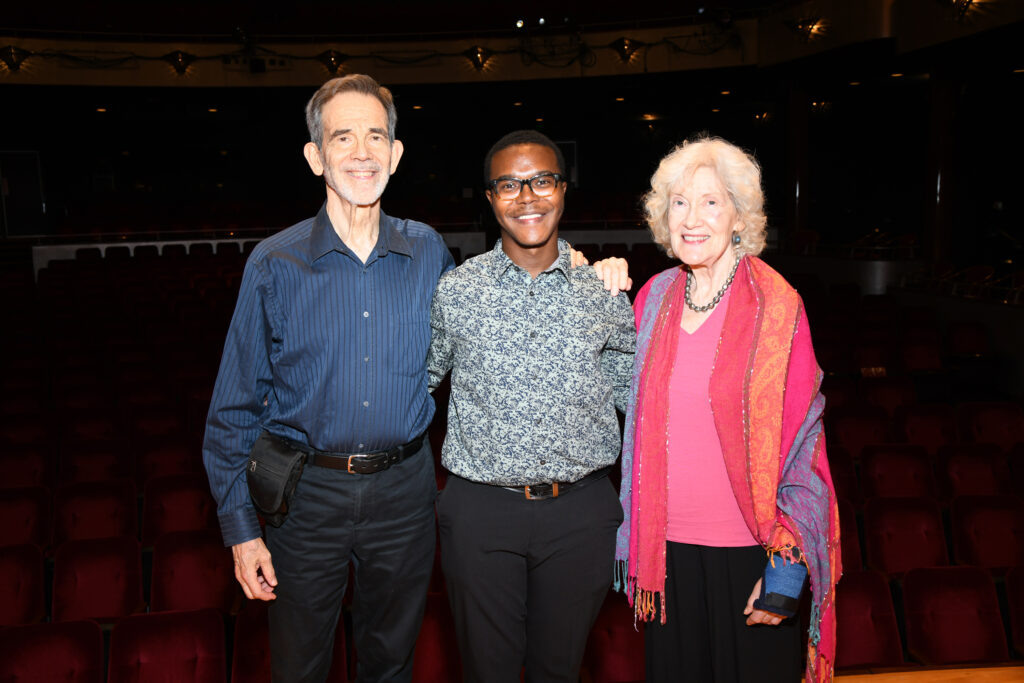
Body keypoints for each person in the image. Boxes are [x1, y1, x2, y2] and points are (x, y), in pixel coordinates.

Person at [203, 76, 630, 683]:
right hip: (304, 495)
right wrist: (242, 532)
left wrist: (583, 266)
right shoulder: (275, 263)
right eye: (342, 136)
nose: (361, 151)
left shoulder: (429, 253)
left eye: (375, 135)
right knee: (297, 666)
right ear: (314, 156)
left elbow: (513, 295)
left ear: (396, 154)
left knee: (392, 663)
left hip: (404, 494)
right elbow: (232, 411)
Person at [614, 136, 841, 683]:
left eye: (711, 202)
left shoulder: (777, 306)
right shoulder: (653, 297)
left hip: (751, 556)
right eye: (680, 202)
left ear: (739, 215)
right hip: (665, 557)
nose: (693, 218)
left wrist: (786, 574)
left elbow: (804, 447)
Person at [427, 130, 637, 683]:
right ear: (490, 197)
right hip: (480, 514)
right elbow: (415, 387)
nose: (527, 197)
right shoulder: (456, 290)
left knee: (559, 670)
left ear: (563, 190)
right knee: (485, 671)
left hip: (580, 514)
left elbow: (638, 401)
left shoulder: (604, 291)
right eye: (509, 185)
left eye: (541, 180)